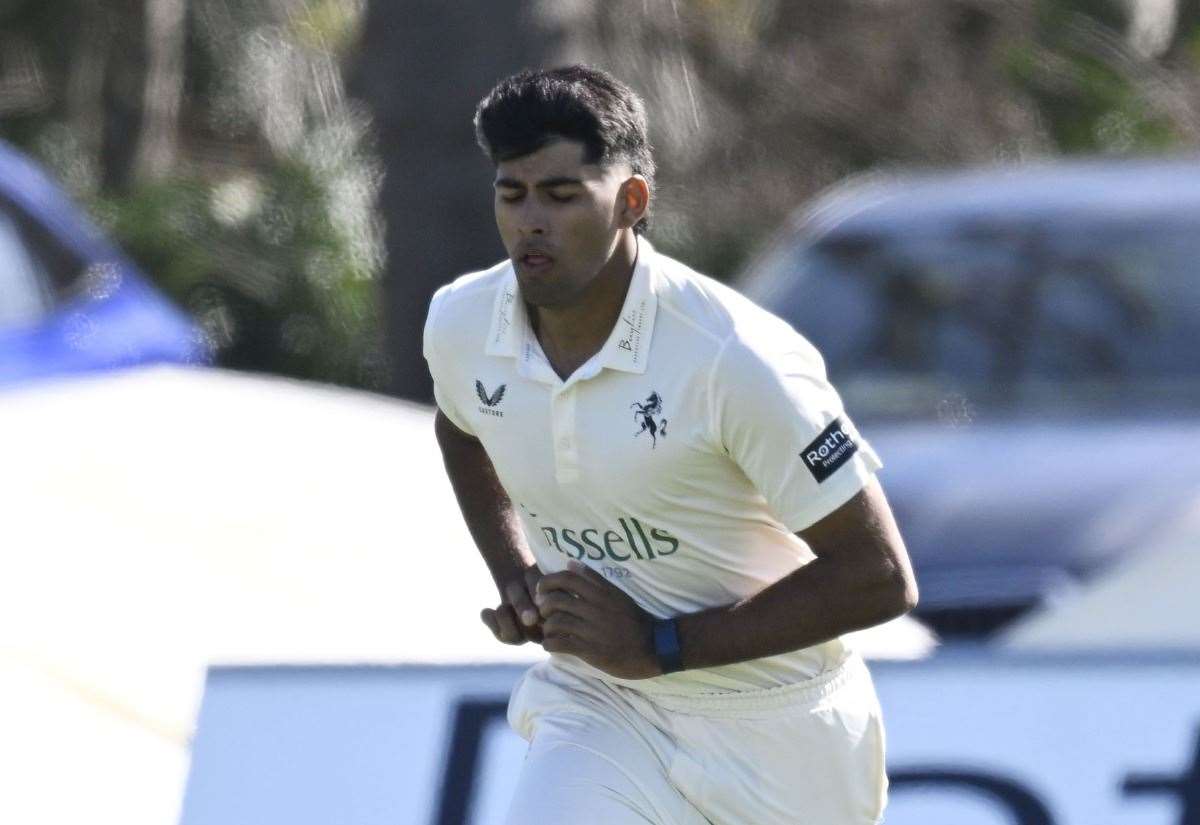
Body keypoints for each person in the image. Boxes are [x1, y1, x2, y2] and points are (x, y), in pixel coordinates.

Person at [425, 65, 918, 825]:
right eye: (511, 194)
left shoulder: (736, 358)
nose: (530, 222)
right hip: (601, 703)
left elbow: (880, 575)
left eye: (561, 195)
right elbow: (461, 426)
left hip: (779, 726)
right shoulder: (461, 324)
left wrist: (662, 643)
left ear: (631, 201)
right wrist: (515, 572)